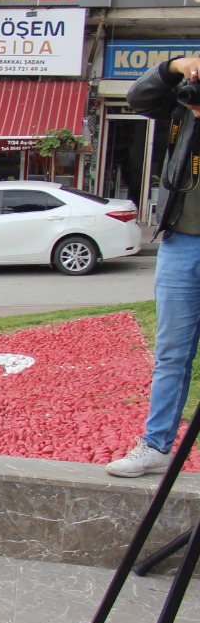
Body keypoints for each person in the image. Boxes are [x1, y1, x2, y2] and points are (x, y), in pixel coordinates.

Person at [108, 56, 200, 477]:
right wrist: (178, 66)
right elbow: (137, 95)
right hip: (181, 241)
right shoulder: (184, 103)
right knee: (171, 355)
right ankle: (157, 445)